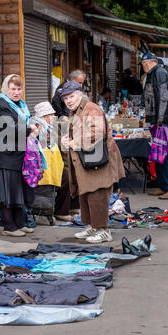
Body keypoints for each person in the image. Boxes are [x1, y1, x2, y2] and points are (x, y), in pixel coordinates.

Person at [60, 81, 125, 243]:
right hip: (88, 161)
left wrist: (76, 143)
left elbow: (99, 132)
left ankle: (104, 230)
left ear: (80, 94)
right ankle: (93, 227)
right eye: (66, 98)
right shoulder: (74, 111)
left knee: (98, 194)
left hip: (99, 161)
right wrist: (67, 138)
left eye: (71, 96)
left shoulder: (91, 108)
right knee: (87, 193)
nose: (68, 100)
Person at [0, 74, 38, 237]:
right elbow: (9, 128)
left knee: (18, 191)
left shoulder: (20, 105)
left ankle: (19, 224)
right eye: (13, 89)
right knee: (7, 192)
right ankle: (9, 227)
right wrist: (30, 129)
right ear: (6, 89)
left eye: (19, 89)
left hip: (17, 155)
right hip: (5, 156)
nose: (17, 92)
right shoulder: (2, 105)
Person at [141, 52, 168, 199]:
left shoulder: (160, 72)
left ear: (151, 62)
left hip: (163, 119)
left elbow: (163, 97)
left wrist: (159, 120)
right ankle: (163, 186)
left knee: (165, 154)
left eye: (145, 64)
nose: (143, 66)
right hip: (158, 119)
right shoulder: (152, 73)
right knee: (159, 154)